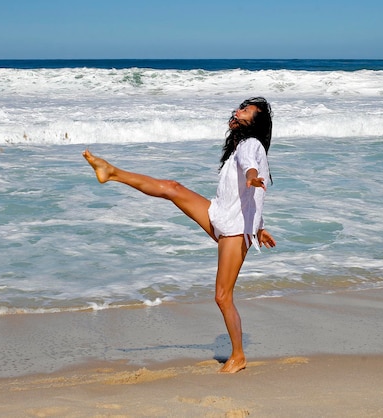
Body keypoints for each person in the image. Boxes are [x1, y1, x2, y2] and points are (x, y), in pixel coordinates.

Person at [83, 97, 276, 373]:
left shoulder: (250, 145)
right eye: (240, 107)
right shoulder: (239, 147)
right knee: (172, 188)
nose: (238, 111)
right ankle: (111, 172)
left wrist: (251, 176)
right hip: (220, 216)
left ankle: (238, 355)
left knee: (223, 296)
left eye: (245, 111)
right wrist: (260, 226)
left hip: (233, 231)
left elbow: (250, 168)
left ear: (253, 123)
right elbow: (249, 199)